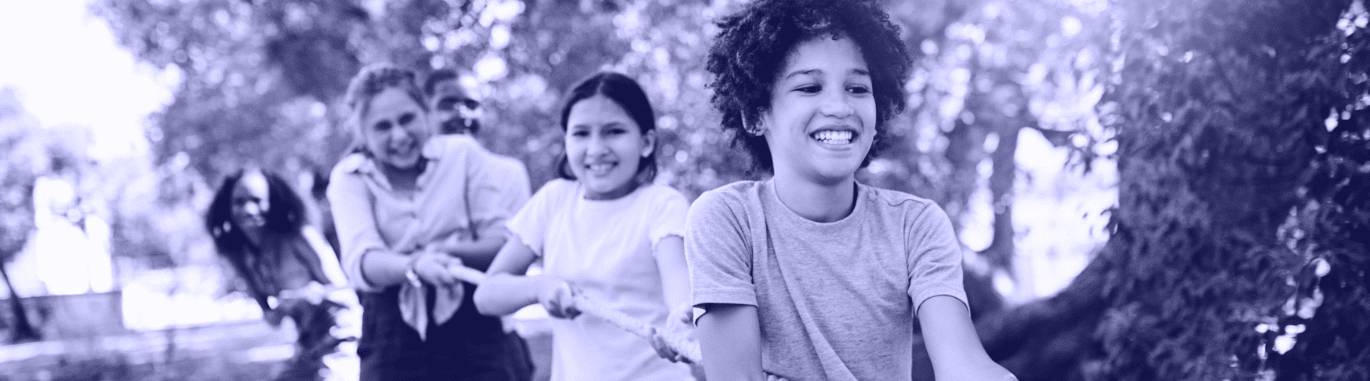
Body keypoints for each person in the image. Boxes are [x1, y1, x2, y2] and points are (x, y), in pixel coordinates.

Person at [686, 0, 1019, 380]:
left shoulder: (916, 225)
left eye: (857, 88)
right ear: (755, 114)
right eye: (810, 87)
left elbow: (962, 364)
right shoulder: (727, 219)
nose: (839, 106)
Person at [473, 71, 695, 381]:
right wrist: (539, 287)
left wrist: (680, 319)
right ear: (565, 141)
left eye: (613, 131)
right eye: (580, 134)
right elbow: (487, 295)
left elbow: (678, 278)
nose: (596, 148)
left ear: (646, 142)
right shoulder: (554, 200)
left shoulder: (662, 204)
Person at [326, 63, 533, 380]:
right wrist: (416, 265)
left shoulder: (463, 154)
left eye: (407, 119)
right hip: (390, 329)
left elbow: (501, 241)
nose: (399, 135)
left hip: (474, 321)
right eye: (382, 127)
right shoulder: (349, 178)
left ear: (425, 113)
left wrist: (447, 254)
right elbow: (362, 261)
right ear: (363, 135)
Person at [205, 168, 361, 381]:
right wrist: (280, 309)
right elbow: (272, 320)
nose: (249, 210)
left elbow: (346, 294)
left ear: (271, 202)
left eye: (256, 200)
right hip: (307, 345)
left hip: (341, 336)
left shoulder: (300, 236)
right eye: (239, 202)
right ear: (228, 207)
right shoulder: (243, 257)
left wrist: (308, 295)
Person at [423, 68, 532, 222]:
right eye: (448, 104)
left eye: (471, 105)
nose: (462, 114)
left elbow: (518, 238)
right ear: (425, 112)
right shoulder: (410, 176)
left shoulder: (510, 173)